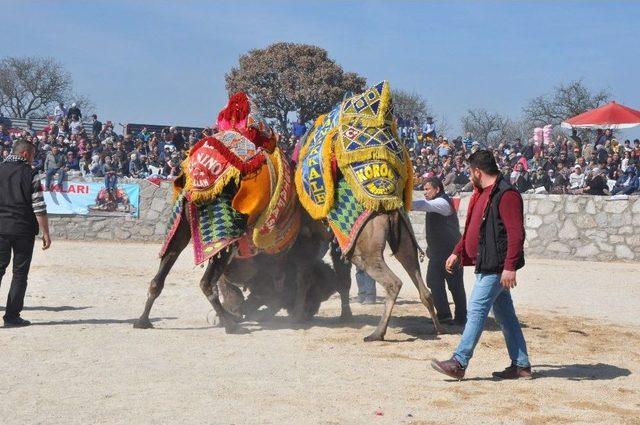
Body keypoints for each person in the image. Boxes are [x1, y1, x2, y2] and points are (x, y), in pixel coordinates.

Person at [431, 149, 530, 381]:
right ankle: (521, 365)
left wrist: (510, 267)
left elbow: (516, 234)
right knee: (505, 315)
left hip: (496, 266)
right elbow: (475, 230)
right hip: (488, 261)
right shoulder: (484, 193)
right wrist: (457, 251)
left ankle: (459, 362)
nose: (469, 175)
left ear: (477, 171)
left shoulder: (506, 195)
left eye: (470, 171)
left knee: (475, 310)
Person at [0, 140, 51, 327]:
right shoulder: (31, 174)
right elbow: (39, 206)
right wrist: (46, 233)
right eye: (32, 155)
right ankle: (12, 317)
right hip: (23, 230)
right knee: (19, 274)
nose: (33, 159)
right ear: (24, 154)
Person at [411, 177, 466, 325]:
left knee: (455, 286)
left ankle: (461, 317)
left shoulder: (442, 202)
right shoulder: (435, 203)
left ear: (437, 189)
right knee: (433, 282)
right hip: (437, 253)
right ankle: (444, 315)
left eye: (428, 189)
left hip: (451, 253)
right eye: (424, 189)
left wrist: (402, 203)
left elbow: (422, 205)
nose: (425, 192)